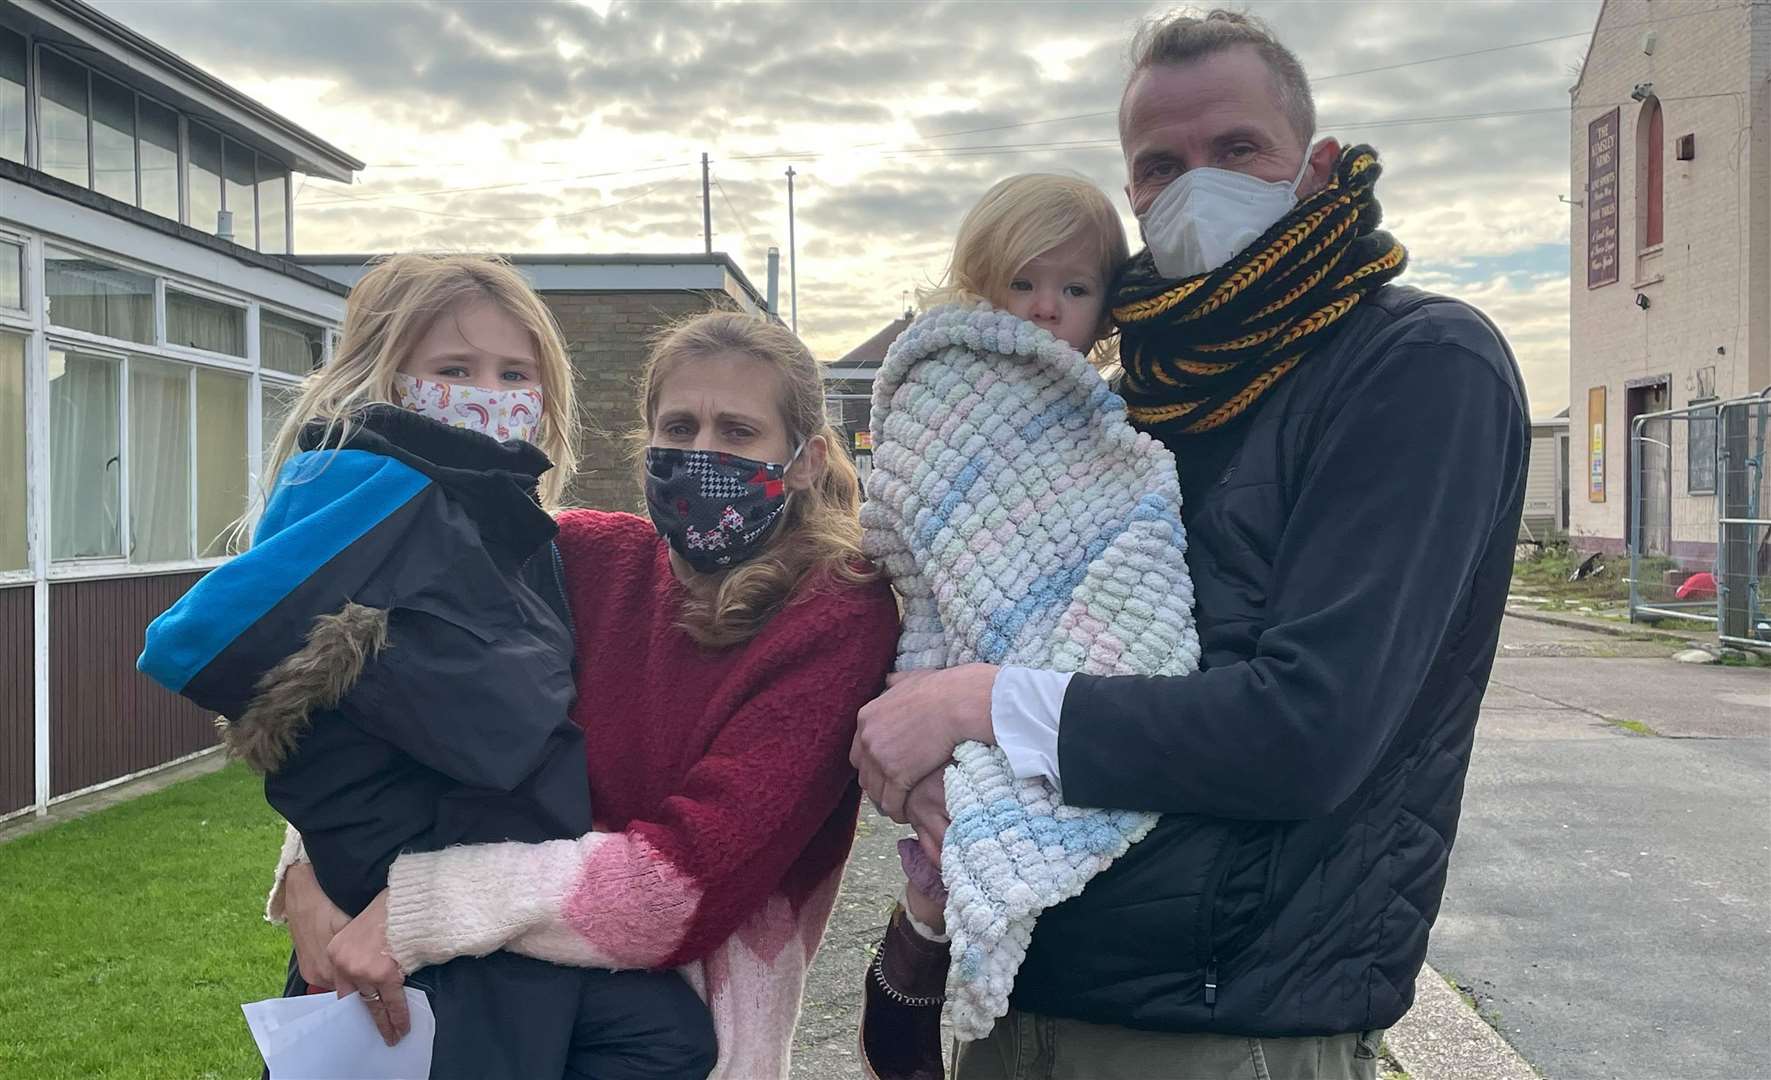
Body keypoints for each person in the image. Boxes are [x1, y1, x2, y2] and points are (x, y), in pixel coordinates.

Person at [850, 10, 1530, 1078]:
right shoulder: (1120, 410)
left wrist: (978, 703)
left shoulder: (1415, 367)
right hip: (1025, 995)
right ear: (1132, 198)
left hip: (1223, 1033)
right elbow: (987, 617)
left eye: (1236, 151)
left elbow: (1309, 729)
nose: (1194, 185)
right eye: (1159, 165)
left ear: (1309, 169)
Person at [275, 309, 901, 1080]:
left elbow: (677, 889)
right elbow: (382, 694)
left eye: (737, 433)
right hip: (456, 987)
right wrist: (304, 868)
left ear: (803, 461)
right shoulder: (579, 555)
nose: (700, 453)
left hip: (669, 1034)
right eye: (679, 426)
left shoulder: (834, 612)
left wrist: (412, 912)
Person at [140, 254, 718, 1079]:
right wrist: (329, 860)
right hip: (417, 908)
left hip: (470, 898)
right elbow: (203, 644)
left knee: (668, 1037)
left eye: (514, 372)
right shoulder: (374, 492)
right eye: (455, 369)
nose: (489, 391)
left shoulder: (500, 519)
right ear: (387, 377)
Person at [852, 173, 1144, 1080]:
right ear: (983, 282)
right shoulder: (949, 381)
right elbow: (915, 523)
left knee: (1021, 791)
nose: (1047, 309)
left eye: (1075, 288)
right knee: (970, 807)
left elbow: (1114, 515)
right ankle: (922, 949)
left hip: (1050, 650)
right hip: (959, 636)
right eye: (1023, 283)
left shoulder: (1095, 406)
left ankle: (922, 952)